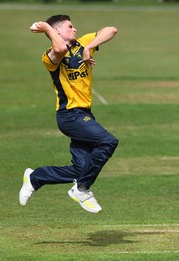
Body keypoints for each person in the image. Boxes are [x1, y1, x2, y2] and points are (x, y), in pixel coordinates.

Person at [19, 15, 119, 214]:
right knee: (108, 141)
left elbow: (112, 30)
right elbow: (60, 49)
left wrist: (90, 47)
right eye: (70, 26)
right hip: (69, 115)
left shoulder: (83, 43)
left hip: (85, 114)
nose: (75, 29)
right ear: (56, 32)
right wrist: (47, 27)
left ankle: (36, 177)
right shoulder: (49, 56)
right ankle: (82, 189)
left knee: (81, 169)